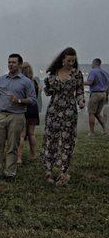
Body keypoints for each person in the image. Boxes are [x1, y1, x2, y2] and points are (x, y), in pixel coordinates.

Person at [42, 47, 86, 185]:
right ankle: (48, 171)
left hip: (69, 112)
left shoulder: (77, 74)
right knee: (51, 140)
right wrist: (47, 85)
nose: (71, 63)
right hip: (54, 111)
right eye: (69, 60)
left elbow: (79, 91)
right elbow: (48, 93)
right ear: (62, 59)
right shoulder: (53, 73)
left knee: (67, 143)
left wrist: (81, 101)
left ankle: (63, 173)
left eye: (73, 60)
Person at [17, 62, 40, 164]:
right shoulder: (34, 82)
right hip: (33, 109)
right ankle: (33, 155)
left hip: (23, 109)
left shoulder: (21, 82)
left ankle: (18, 158)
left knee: (21, 135)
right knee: (31, 133)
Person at [84, 58, 109, 135]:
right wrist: (107, 95)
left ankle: (92, 132)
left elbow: (90, 82)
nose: (91, 65)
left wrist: (80, 82)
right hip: (104, 94)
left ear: (94, 63)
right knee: (97, 113)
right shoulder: (105, 73)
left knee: (91, 113)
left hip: (95, 94)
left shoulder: (93, 71)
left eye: (92, 63)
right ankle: (106, 130)